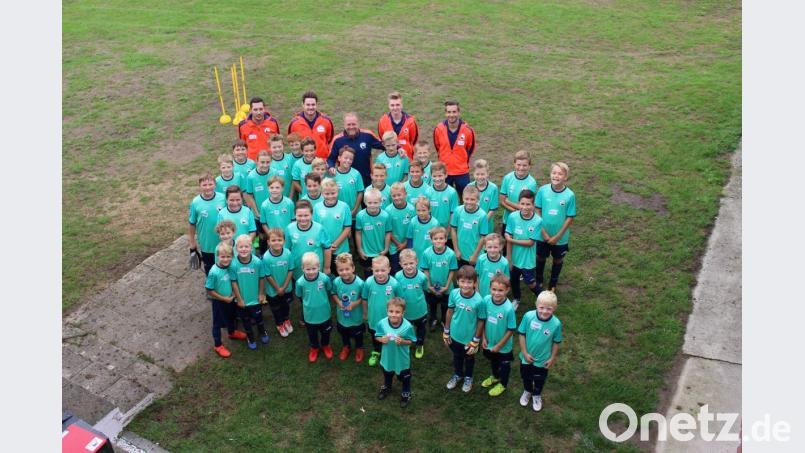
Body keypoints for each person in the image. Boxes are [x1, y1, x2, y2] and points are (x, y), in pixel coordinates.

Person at [442, 265, 486, 393]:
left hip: (470, 338)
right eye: (462, 282)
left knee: (469, 358)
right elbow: (449, 312)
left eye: (469, 282)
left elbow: (481, 320)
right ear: (457, 281)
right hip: (455, 335)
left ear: (475, 283)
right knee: (457, 356)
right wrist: (446, 331)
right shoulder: (454, 294)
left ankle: (468, 377)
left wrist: (476, 339)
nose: (466, 285)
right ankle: (458, 374)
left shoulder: (479, 301)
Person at [518, 290, 562, 412]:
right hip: (526, 357)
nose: (544, 311)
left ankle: (536, 394)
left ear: (554, 308)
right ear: (536, 305)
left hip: (542, 360)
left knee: (539, 379)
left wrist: (552, 358)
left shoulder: (556, 324)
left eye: (549, 308)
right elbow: (522, 334)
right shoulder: (528, 316)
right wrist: (524, 353)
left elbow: (556, 342)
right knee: (525, 376)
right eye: (541, 307)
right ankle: (527, 390)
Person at [535, 162, 576, 292]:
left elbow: (570, 217)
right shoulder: (543, 190)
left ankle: (553, 283)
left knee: (558, 259)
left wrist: (558, 236)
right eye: (554, 173)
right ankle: (539, 279)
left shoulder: (570, 195)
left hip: (560, 238)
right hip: (542, 235)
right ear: (550, 174)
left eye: (560, 174)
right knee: (540, 257)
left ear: (565, 177)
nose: (556, 176)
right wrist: (544, 234)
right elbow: (537, 210)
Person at [504, 189, 544, 310]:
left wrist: (511, 240)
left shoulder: (538, 221)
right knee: (514, 280)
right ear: (518, 203)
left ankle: (543, 298)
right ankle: (516, 299)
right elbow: (508, 236)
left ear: (533, 205)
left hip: (527, 261)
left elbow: (530, 243)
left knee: (531, 283)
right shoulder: (513, 217)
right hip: (514, 259)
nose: (525, 207)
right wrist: (509, 258)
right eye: (522, 204)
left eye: (528, 204)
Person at [375, 297, 417, 408]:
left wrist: (403, 341)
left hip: (402, 359)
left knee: (405, 377)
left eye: (397, 312)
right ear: (387, 311)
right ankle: (387, 387)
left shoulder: (407, 326)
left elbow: (412, 341)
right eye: (391, 311)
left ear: (403, 313)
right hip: (387, 357)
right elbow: (377, 336)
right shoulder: (382, 323)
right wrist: (381, 339)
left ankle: (406, 392)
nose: (394, 314)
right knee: (387, 372)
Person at [361, 255, 402, 367]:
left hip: (391, 319)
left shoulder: (394, 284)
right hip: (374, 318)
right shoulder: (368, 282)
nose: (380, 273)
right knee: (376, 337)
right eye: (376, 270)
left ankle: (391, 353)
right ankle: (376, 352)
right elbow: (364, 299)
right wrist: (365, 313)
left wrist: (400, 316)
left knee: (391, 336)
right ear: (372, 270)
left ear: (389, 269)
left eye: (383, 270)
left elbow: (400, 301)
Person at [230, 235, 268, 350]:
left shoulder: (257, 262)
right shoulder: (233, 264)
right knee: (245, 320)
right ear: (236, 249)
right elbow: (234, 282)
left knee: (258, 318)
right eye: (240, 247)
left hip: (255, 298)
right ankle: (250, 337)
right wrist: (239, 299)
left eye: (246, 246)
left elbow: (262, 278)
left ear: (251, 247)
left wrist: (261, 294)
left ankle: (262, 331)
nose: (243, 249)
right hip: (242, 300)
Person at [480, 275, 516, 397]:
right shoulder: (486, 300)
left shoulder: (508, 308)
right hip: (489, 341)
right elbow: (483, 319)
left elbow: (511, 329)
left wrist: (500, 345)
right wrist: (483, 337)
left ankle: (503, 384)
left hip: (503, 346)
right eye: (494, 289)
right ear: (490, 288)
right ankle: (495, 376)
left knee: (504, 364)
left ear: (507, 290)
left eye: (500, 290)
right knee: (493, 360)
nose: (496, 293)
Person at [295, 252, 334, 362]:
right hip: (309, 316)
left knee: (326, 332)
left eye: (314, 268)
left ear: (319, 267)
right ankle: (314, 347)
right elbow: (299, 295)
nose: (311, 272)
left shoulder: (324, 278)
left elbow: (328, 289)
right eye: (308, 269)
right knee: (312, 334)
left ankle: (326, 345)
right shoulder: (300, 282)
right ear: (302, 268)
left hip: (325, 313)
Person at [327, 112, 385, 187]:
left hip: (366, 180)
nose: (351, 127)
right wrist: (331, 167)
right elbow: (330, 159)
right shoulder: (337, 140)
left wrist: (398, 148)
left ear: (358, 124)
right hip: (346, 180)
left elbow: (384, 145)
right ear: (344, 125)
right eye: (348, 124)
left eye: (353, 124)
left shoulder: (368, 135)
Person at [432, 101, 476, 196]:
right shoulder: (438, 129)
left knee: (465, 198)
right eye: (449, 112)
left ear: (458, 113)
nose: (451, 115)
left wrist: (461, 160)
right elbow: (437, 147)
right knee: (446, 198)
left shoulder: (467, 130)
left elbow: (471, 148)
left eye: (454, 112)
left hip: (462, 171)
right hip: (444, 171)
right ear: (445, 113)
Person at [420, 226, 458, 332]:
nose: (438, 241)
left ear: (446, 239)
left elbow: (452, 271)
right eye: (435, 239)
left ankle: (443, 320)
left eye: (441, 238)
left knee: (445, 305)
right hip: (431, 286)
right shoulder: (427, 253)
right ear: (431, 239)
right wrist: (429, 285)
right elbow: (426, 270)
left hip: (446, 286)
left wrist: (446, 286)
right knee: (432, 305)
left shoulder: (450, 254)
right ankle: (433, 319)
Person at [204, 242, 238, 358]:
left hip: (229, 299)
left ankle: (232, 332)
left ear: (232, 256)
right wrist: (224, 298)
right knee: (217, 323)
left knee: (231, 316)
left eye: (228, 256)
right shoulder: (214, 272)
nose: (225, 259)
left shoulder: (230, 267)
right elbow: (209, 290)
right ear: (217, 256)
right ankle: (218, 345)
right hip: (219, 301)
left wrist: (232, 294)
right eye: (223, 257)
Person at [285, 200, 332, 282]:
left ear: (312, 215)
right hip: (297, 268)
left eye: (306, 215)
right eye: (299, 216)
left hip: (315, 269)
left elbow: (327, 248)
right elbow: (287, 249)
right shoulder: (289, 229)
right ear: (295, 215)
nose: (303, 218)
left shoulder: (319, 229)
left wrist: (326, 267)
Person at [330, 253, 366, 362]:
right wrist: (338, 302)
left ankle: (359, 347)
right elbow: (333, 293)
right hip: (342, 315)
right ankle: (346, 346)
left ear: (353, 268)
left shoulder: (360, 283)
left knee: (357, 333)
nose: (344, 272)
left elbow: (364, 298)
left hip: (356, 316)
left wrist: (354, 304)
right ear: (337, 270)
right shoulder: (336, 281)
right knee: (343, 331)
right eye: (341, 270)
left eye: (347, 269)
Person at [188, 173, 226, 275]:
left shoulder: (223, 198)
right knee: (210, 269)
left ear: (215, 184)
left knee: (225, 266)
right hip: (207, 244)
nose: (208, 187)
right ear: (199, 186)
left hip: (224, 241)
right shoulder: (195, 202)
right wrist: (192, 242)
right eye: (204, 185)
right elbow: (192, 224)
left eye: (210, 184)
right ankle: (211, 288)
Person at [261, 228, 295, 338]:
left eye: (279, 240)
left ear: (284, 241)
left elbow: (290, 270)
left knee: (286, 305)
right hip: (273, 290)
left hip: (287, 288)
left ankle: (286, 319)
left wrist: (284, 287)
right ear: (268, 242)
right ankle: (279, 323)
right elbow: (268, 275)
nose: (276, 243)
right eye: (273, 240)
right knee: (275, 307)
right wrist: (278, 289)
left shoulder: (288, 253)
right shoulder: (266, 257)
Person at [395, 249, 428, 359]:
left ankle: (419, 344)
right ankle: (406, 343)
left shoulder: (422, 277)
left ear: (416, 262)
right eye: (405, 264)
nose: (409, 266)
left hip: (420, 310)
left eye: (411, 263)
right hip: (405, 311)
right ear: (400, 264)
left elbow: (424, 289)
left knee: (421, 328)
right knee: (406, 329)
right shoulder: (398, 276)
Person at [314, 179, 352, 273]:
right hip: (323, 248)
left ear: (337, 191)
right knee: (325, 274)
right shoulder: (317, 207)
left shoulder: (344, 206)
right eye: (327, 194)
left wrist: (335, 244)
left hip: (341, 248)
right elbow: (315, 228)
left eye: (333, 193)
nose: (330, 196)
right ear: (322, 193)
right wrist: (326, 246)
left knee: (342, 274)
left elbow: (347, 228)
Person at [355, 188, 392, 277]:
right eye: (370, 203)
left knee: (382, 273)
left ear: (381, 202)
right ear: (365, 202)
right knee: (368, 272)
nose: (372, 205)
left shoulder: (385, 216)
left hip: (381, 252)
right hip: (366, 253)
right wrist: (360, 249)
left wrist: (386, 249)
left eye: (375, 203)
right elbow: (358, 233)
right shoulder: (360, 216)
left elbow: (388, 233)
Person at [450, 185, 489, 267]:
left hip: (474, 255)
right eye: (466, 199)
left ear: (478, 200)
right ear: (462, 198)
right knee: (461, 277)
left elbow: (483, 237)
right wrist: (456, 250)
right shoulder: (458, 210)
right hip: (460, 254)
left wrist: (475, 255)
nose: (469, 202)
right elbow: (453, 230)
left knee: (474, 278)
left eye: (472, 199)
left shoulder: (482, 215)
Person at [500, 150, 538, 234]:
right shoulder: (507, 178)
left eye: (524, 165)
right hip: (508, 219)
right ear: (514, 164)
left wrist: (508, 201)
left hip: (523, 221)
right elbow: (502, 201)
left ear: (529, 166)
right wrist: (514, 211)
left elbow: (529, 205)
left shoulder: (531, 183)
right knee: (505, 244)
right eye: (518, 164)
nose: (521, 168)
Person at [287, 91, 334, 159]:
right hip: (302, 163)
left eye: (313, 104)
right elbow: (292, 141)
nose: (311, 107)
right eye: (308, 105)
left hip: (321, 163)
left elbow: (329, 140)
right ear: (303, 105)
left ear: (316, 104)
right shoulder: (294, 123)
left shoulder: (326, 121)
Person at [244, 150, 272, 255]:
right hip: (258, 214)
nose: (265, 165)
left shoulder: (274, 172)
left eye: (267, 162)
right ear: (257, 162)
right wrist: (256, 212)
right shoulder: (251, 176)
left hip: (271, 212)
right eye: (262, 162)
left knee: (271, 237)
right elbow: (249, 196)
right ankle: (260, 254)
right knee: (260, 238)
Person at [377, 91, 419, 160]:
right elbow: (382, 139)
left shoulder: (410, 121)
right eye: (392, 105)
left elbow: (413, 141)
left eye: (397, 105)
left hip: (406, 158)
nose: (395, 108)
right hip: (389, 160)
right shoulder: (383, 121)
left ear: (402, 105)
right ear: (389, 106)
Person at [385, 182, 415, 273]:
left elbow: (413, 229)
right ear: (391, 196)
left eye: (399, 195)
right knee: (395, 268)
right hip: (394, 245)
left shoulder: (411, 209)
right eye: (394, 196)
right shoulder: (388, 210)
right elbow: (388, 230)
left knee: (409, 267)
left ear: (405, 194)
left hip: (408, 243)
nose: (397, 198)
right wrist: (398, 244)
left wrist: (405, 243)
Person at [238, 96, 280, 161]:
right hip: (252, 164)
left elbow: (278, 142)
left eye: (261, 109)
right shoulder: (242, 126)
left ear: (264, 109)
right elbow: (242, 146)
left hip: (270, 162)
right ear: (250, 110)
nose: (258, 112)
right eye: (255, 109)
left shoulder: (273, 122)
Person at [331, 145, 364, 219]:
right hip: (338, 213)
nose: (348, 161)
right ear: (339, 158)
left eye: (351, 159)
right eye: (345, 158)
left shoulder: (356, 174)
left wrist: (355, 210)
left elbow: (360, 192)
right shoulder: (333, 175)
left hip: (354, 212)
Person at [475, 233, 510, 298]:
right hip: (481, 293)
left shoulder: (504, 263)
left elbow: (506, 281)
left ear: (501, 247)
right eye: (489, 247)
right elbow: (476, 276)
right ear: (485, 247)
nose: (492, 250)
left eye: (495, 247)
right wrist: (477, 291)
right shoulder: (481, 259)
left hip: (496, 295)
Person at [406, 197, 440, 264]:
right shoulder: (413, 221)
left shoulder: (435, 223)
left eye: (423, 210)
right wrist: (411, 252)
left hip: (430, 255)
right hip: (417, 254)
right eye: (418, 210)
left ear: (429, 209)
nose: (421, 213)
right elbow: (410, 238)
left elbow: (437, 240)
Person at [467, 159, 498, 230]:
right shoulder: (469, 186)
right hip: (472, 222)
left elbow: (492, 209)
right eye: (477, 174)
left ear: (487, 173)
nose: (480, 177)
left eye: (482, 174)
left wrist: (483, 222)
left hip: (486, 223)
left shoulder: (493, 188)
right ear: (473, 174)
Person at [427, 161, 458, 228]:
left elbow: (453, 214)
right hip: (433, 230)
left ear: (446, 175)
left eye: (440, 176)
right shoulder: (428, 192)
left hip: (447, 230)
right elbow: (427, 213)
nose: (437, 179)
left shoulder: (452, 192)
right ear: (431, 176)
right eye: (434, 176)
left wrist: (447, 231)